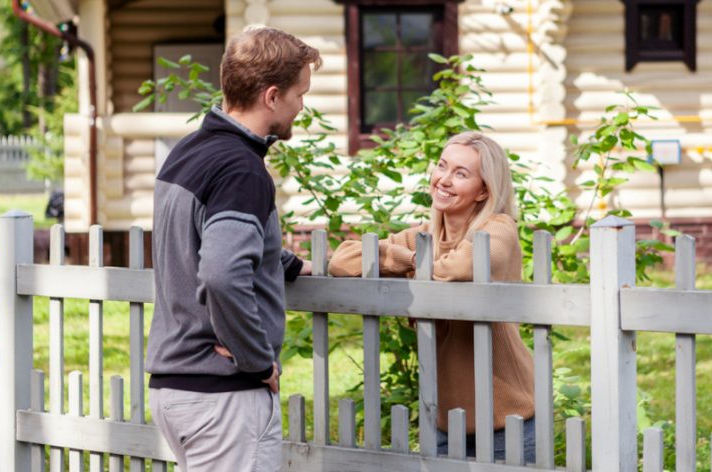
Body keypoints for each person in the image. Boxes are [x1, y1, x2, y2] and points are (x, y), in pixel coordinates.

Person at [145, 26, 320, 471]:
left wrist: (283, 262)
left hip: (176, 391)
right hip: (223, 398)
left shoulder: (188, 152)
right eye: (301, 94)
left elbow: (199, 242)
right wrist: (257, 361)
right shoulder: (241, 171)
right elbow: (221, 273)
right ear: (272, 96)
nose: (303, 105)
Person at [328, 131, 536, 462]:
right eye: (442, 166)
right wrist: (410, 260)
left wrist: (404, 263)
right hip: (446, 422)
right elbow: (343, 260)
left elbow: (463, 266)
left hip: (507, 421)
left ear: (483, 190)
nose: (444, 179)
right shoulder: (424, 238)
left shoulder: (499, 229)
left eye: (461, 173)